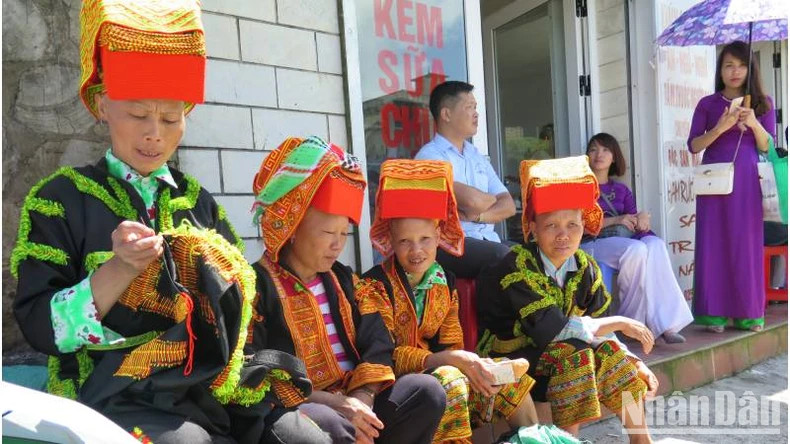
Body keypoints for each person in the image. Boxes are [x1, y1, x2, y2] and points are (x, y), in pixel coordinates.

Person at [11, 1, 325, 443]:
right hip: (115, 390)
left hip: (208, 382)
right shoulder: (60, 200)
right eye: (138, 115)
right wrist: (120, 269)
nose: (154, 133)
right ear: (102, 105)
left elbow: (244, 305)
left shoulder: (199, 202)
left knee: (305, 437)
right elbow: (42, 326)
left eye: (171, 118)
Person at [248, 136, 447, 444]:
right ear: (291, 227)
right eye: (328, 232)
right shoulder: (255, 287)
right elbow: (257, 373)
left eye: (344, 232)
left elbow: (377, 341)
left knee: (427, 392)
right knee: (331, 424)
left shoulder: (344, 280)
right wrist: (337, 404)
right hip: (303, 408)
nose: (338, 244)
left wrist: (363, 397)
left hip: (354, 399)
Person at [476, 156, 658, 442]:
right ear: (533, 228)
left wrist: (633, 360)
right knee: (575, 351)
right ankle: (567, 440)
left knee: (608, 352)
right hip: (511, 360)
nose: (564, 235)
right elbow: (550, 330)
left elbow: (601, 330)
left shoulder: (586, 267)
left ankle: (640, 438)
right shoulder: (518, 265)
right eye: (552, 226)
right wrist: (621, 321)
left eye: (572, 225)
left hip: (554, 358)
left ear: (583, 226)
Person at [357, 159, 538, 443]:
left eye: (425, 239)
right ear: (391, 239)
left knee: (510, 381)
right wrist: (448, 360)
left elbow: (451, 343)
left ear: (439, 236)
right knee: (450, 381)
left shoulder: (444, 281)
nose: (417, 251)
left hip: (441, 371)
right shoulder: (372, 287)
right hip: (397, 391)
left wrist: (472, 366)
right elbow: (384, 356)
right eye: (405, 241)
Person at [687, 40, 776, 332]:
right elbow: (694, 145)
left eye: (740, 65)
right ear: (720, 70)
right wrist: (720, 128)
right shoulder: (708, 104)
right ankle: (714, 314)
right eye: (728, 65)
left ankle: (749, 314)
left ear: (750, 68)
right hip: (714, 180)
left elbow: (768, 146)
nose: (735, 71)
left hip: (748, 181)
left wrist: (754, 123)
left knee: (745, 244)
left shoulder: (763, 103)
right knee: (713, 242)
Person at [583, 133, 693, 343]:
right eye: (593, 149)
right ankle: (629, 323)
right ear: (586, 156)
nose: (599, 154)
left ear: (614, 157)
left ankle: (668, 324)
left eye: (606, 150)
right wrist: (617, 220)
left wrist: (642, 223)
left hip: (620, 242)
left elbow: (634, 224)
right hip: (591, 243)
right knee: (635, 250)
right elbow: (580, 226)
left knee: (655, 244)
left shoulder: (621, 190)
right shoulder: (581, 187)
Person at [415, 81, 516, 278]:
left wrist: (478, 216)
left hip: (486, 238)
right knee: (501, 257)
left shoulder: (475, 155)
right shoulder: (430, 157)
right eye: (469, 107)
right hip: (449, 244)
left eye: (475, 107)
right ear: (446, 114)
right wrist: (488, 200)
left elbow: (509, 206)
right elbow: (474, 201)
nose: (476, 114)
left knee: (531, 255)